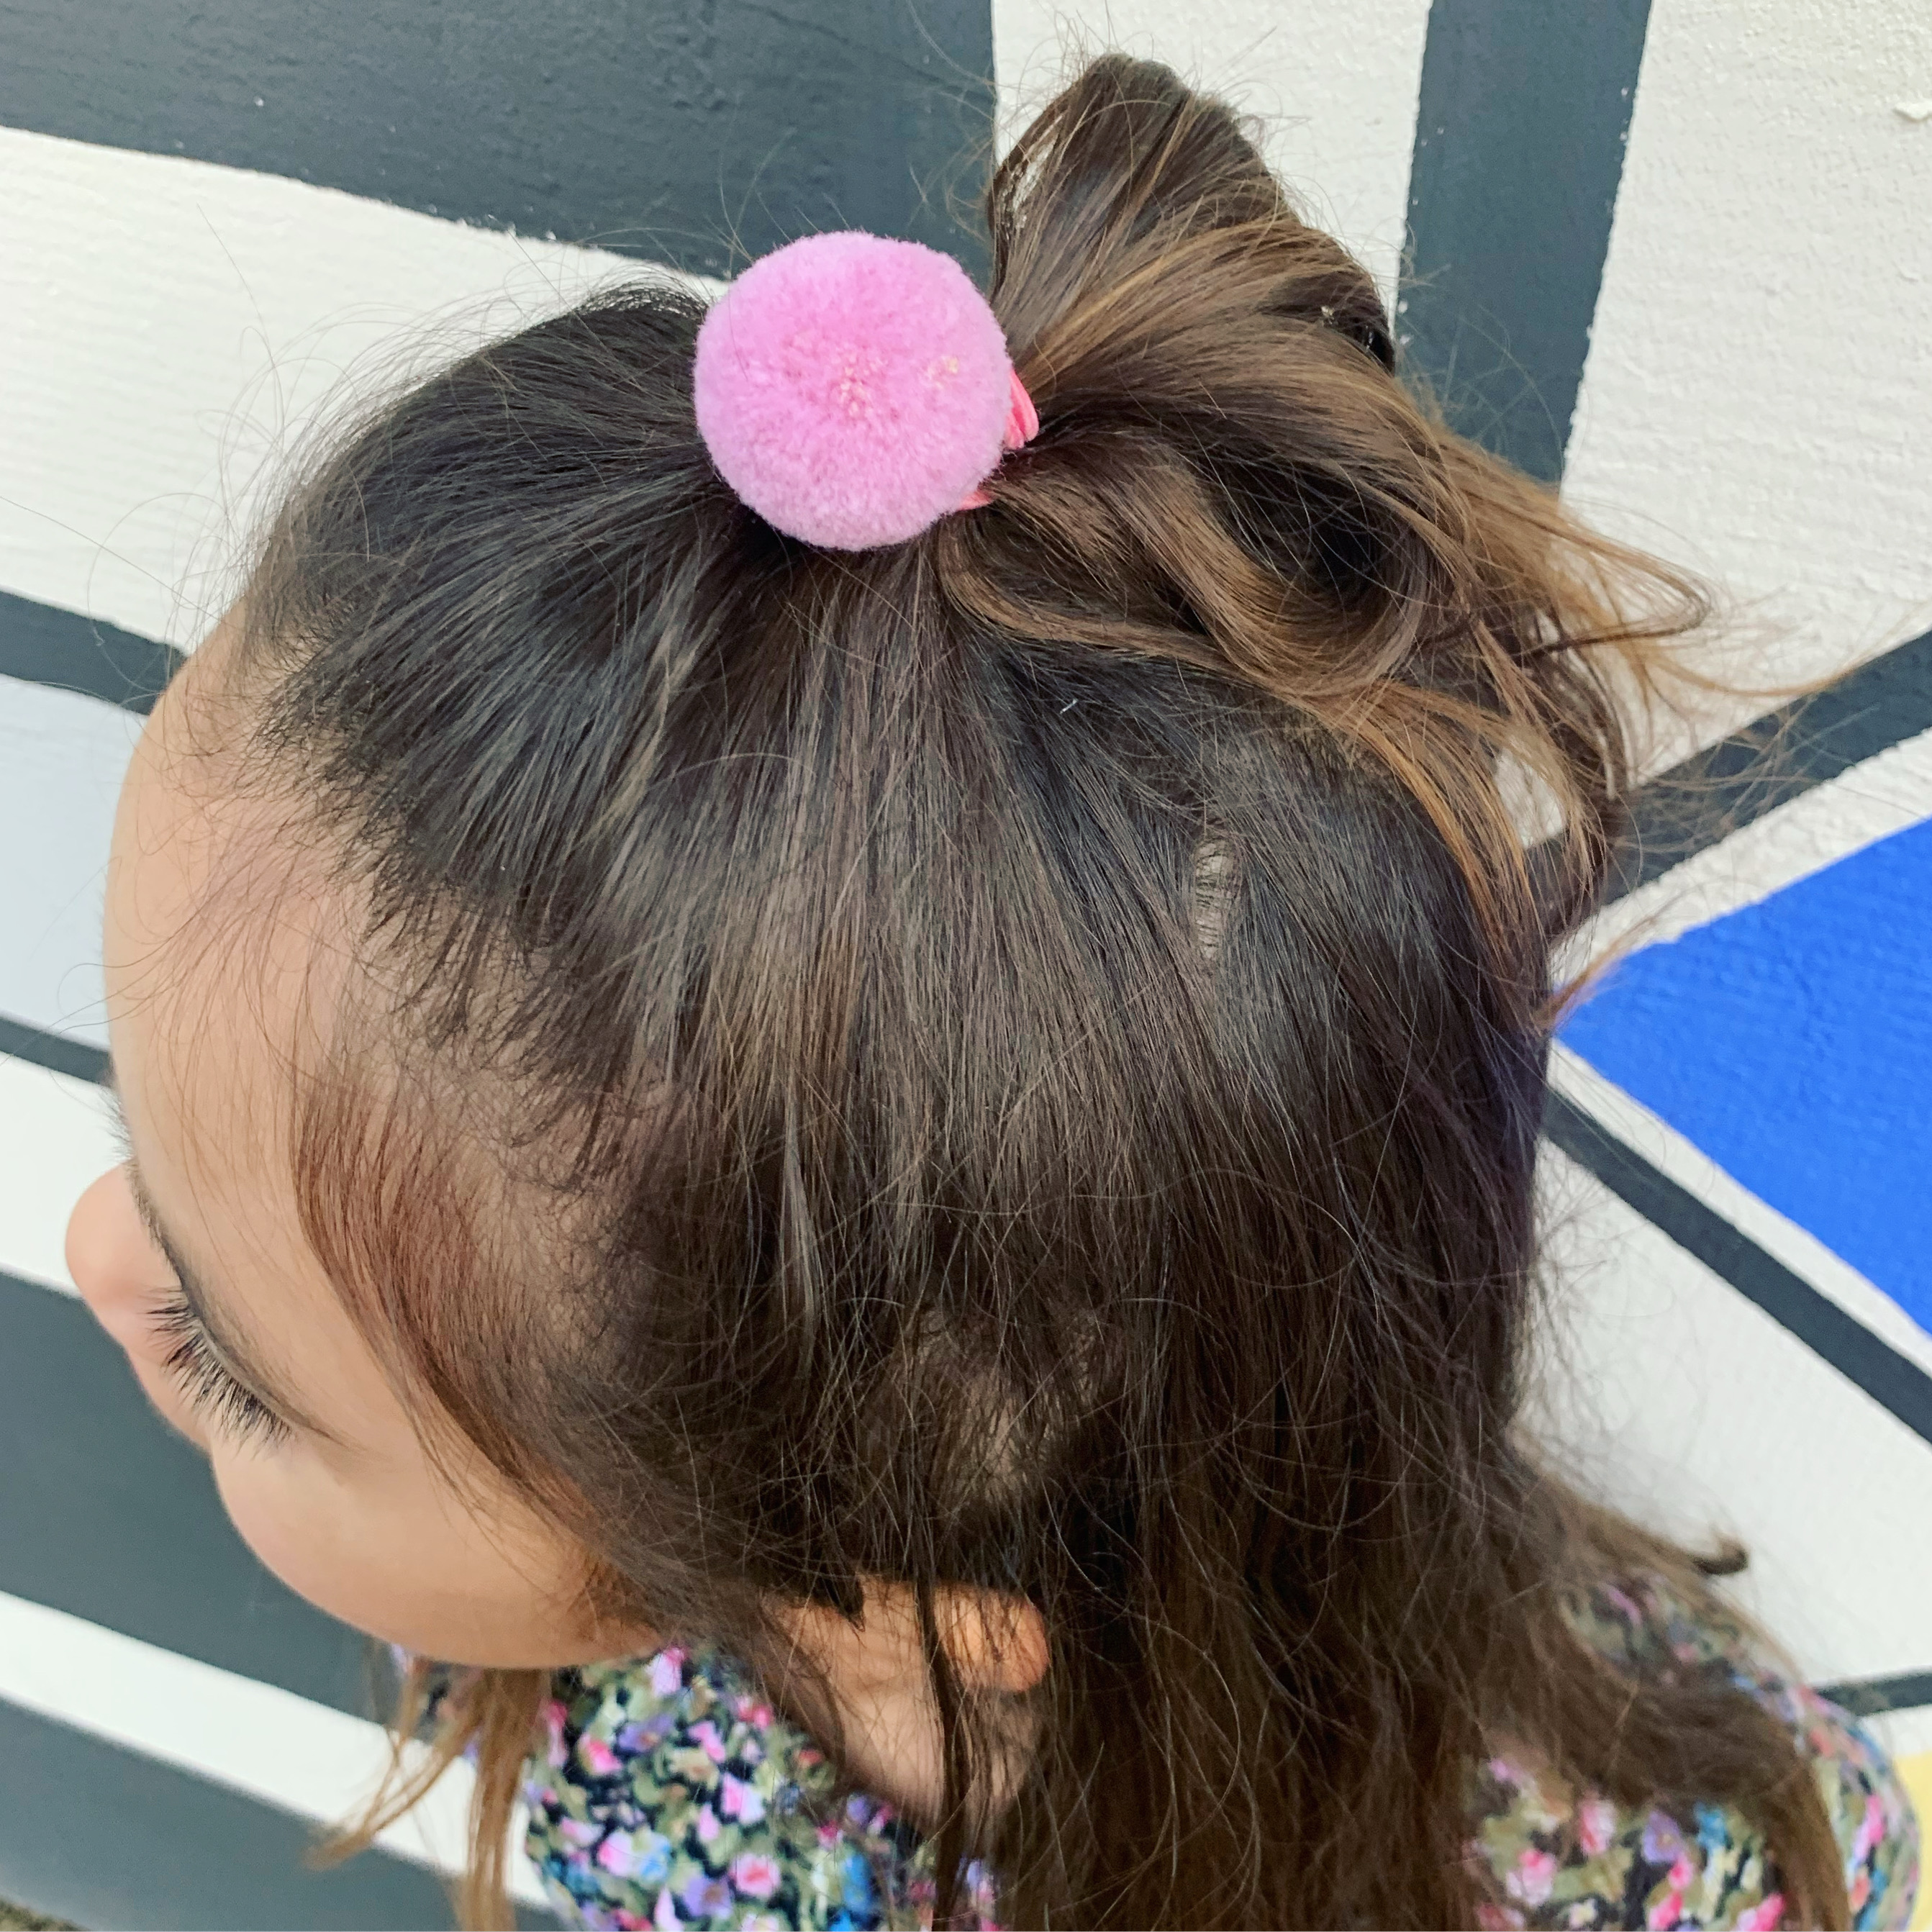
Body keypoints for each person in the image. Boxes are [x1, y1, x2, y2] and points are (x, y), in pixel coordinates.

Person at [62, 51, 1917, 1932]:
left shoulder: (1679, 1891)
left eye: (226, 1356)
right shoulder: (584, 1553)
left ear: (904, 1616)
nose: (85, 1250)